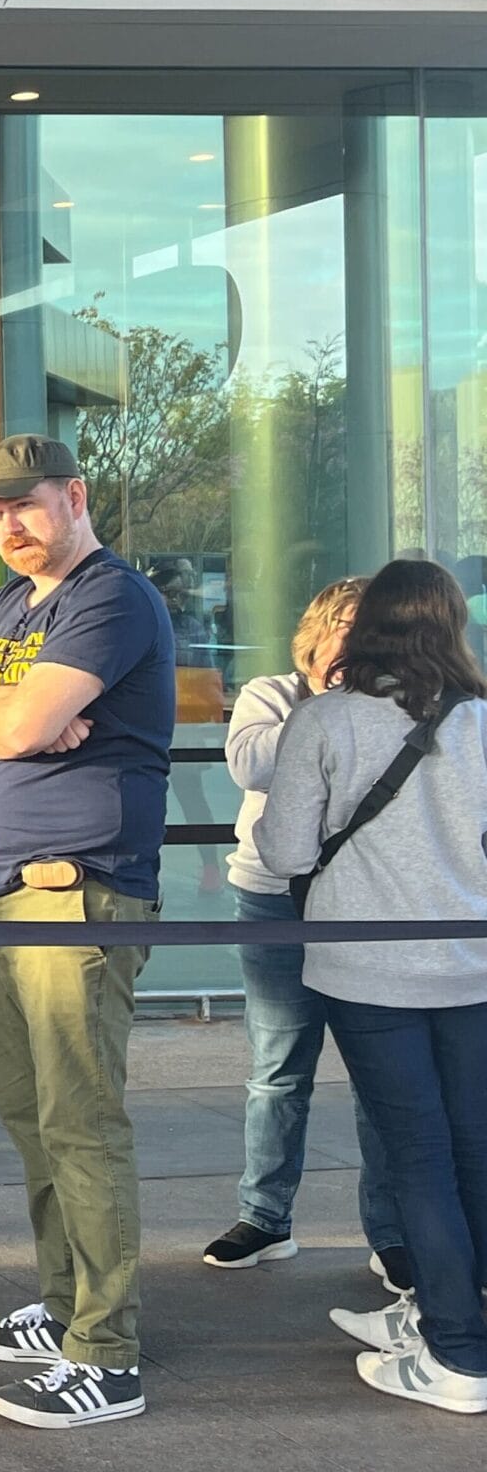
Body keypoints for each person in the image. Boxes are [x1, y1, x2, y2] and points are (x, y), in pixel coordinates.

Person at [0, 435, 172, 1430]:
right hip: (0, 891)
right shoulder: (7, 606)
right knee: (30, 1118)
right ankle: (66, 1308)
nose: (9, 527)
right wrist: (7, 709)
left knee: (79, 1122)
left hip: (75, 892)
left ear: (73, 495)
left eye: (25, 506)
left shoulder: (109, 598)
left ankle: (106, 1353)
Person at [261, 558, 487, 1417]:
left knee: (417, 1158)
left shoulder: (326, 719)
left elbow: (284, 853)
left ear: (368, 627)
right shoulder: (481, 721)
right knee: (472, 1147)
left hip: (365, 970)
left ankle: (459, 1353)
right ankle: (449, 1319)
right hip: (471, 964)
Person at [209, 578, 405, 1279]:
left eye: (372, 627)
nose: (357, 639)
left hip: (364, 905)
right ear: (317, 630)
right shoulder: (272, 693)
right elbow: (251, 763)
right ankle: (265, 1218)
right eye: (347, 623)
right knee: (278, 1069)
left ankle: (392, 1235)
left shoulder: (394, 704)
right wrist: (329, 712)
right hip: (273, 900)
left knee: (378, 1074)